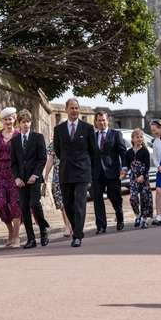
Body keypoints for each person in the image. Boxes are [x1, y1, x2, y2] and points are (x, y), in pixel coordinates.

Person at [53, 98, 96, 248]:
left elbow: (93, 152)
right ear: (66, 109)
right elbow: (58, 151)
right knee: (68, 204)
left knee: (79, 204)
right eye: (72, 108)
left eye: (77, 108)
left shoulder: (87, 128)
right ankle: (76, 228)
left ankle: (77, 235)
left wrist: (91, 173)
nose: (74, 111)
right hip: (65, 171)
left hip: (82, 172)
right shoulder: (59, 129)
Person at [10, 109, 50, 248]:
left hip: (35, 178)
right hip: (21, 180)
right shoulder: (14, 141)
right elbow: (13, 163)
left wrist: (36, 174)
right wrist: (16, 178)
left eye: (28, 122)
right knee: (24, 208)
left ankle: (43, 230)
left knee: (34, 203)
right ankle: (31, 239)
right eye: (23, 122)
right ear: (19, 124)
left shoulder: (38, 137)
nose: (26, 124)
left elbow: (42, 158)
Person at [0, 107, 22, 247]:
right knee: (0, 204)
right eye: (6, 119)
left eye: (11, 119)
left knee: (15, 203)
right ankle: (11, 231)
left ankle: (17, 237)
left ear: (14, 119)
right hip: (1, 172)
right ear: (2, 121)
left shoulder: (19, 136)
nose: (8, 121)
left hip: (15, 172)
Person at [91, 111, 128, 233]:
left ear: (108, 121)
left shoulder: (116, 134)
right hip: (96, 173)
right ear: (95, 122)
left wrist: (124, 168)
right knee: (97, 199)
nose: (101, 122)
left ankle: (120, 219)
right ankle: (101, 226)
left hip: (112, 172)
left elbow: (123, 152)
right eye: (99, 120)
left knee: (115, 198)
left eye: (103, 120)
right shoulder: (93, 137)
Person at [43, 141, 73, 237]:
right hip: (58, 177)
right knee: (62, 203)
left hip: (72, 175)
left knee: (71, 202)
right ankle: (67, 226)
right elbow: (51, 160)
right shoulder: (54, 144)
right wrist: (46, 174)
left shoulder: (73, 141)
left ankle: (74, 224)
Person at [125, 129, 153, 229]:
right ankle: (137, 216)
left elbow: (147, 166)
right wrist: (123, 172)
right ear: (132, 139)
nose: (140, 139)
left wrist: (143, 175)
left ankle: (144, 219)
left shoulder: (145, 151)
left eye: (141, 137)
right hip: (133, 178)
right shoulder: (128, 152)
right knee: (133, 198)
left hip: (143, 177)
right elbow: (126, 165)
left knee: (145, 198)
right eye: (137, 137)